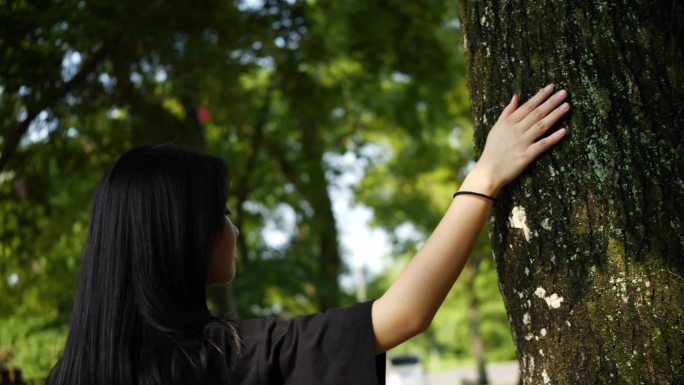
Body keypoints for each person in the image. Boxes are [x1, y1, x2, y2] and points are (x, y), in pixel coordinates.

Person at [46, 84, 570, 385]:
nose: (233, 227)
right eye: (220, 214)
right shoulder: (223, 359)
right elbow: (402, 315)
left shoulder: (70, 374)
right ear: (180, 239)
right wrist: (483, 179)